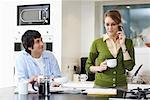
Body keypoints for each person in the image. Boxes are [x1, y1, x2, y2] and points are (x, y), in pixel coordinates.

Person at [85, 10, 135, 90]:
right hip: (100, 87)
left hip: (121, 87)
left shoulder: (128, 42)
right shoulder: (97, 43)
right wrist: (98, 68)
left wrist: (123, 45)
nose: (110, 28)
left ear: (119, 25)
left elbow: (129, 67)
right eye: (107, 24)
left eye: (113, 24)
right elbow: (88, 66)